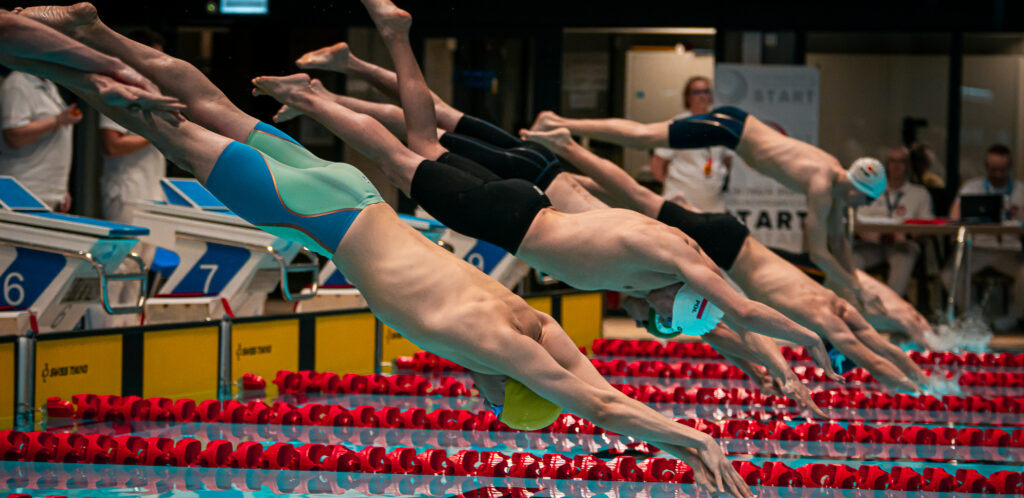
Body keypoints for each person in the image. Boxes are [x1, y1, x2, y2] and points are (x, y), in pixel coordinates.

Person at [13, 2, 757, 498]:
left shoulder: (526, 320)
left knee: (209, 106)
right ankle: (56, 54)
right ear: (509, 386)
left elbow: (594, 386)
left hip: (352, 192)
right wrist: (690, 438)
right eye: (499, 402)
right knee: (163, 123)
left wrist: (672, 434)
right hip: (320, 214)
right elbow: (593, 401)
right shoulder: (491, 343)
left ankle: (97, 29)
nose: (484, 401)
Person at [287, 42, 930, 394]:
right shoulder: (660, 264)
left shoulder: (666, 259)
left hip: (539, 189)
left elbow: (725, 323)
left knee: (432, 134)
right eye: (660, 319)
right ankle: (348, 77)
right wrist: (806, 345)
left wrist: (773, 364)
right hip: (534, 185)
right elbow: (736, 314)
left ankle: (347, 77)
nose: (648, 322)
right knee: (423, 141)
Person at [530, 107, 888, 315]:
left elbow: (839, 241)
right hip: (731, 131)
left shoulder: (836, 179)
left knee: (635, 177)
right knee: (642, 137)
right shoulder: (823, 186)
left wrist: (856, 287)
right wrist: (857, 288)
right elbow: (820, 253)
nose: (863, 208)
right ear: (858, 190)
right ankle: (559, 123)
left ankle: (563, 157)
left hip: (736, 128)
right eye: (867, 201)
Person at [945, 143, 1024, 331]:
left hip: (1010, 251)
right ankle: (974, 316)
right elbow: (953, 218)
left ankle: (1014, 317)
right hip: (977, 250)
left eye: (1002, 170)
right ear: (986, 167)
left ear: (1010, 167)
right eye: (993, 169)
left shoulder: (1021, 190)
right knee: (949, 275)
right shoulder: (971, 188)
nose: (998, 174)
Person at [98, 27, 167, 224]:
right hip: (127, 196)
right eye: (155, 56)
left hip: (153, 192)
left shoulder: (153, 91)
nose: (160, 63)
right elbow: (112, 146)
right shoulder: (117, 91)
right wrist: (156, 134)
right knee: (128, 246)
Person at [855, 146, 933, 297]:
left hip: (902, 243)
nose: (896, 166)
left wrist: (908, 234)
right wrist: (867, 234)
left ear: (908, 166)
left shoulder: (920, 193)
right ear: (886, 165)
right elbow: (858, 219)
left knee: (903, 259)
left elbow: (927, 224)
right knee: (851, 258)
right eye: (892, 161)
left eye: (901, 162)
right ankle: (862, 301)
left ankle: (891, 304)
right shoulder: (871, 190)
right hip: (872, 243)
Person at [0, 69, 80, 210]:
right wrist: (58, 120)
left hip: (49, 191)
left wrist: (61, 189)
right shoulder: (17, 83)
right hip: (23, 188)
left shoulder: (49, 84)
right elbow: (14, 136)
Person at [650, 76, 732, 212]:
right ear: (688, 97)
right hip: (680, 201)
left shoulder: (720, 124)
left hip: (713, 203)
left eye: (706, 91)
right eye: (697, 92)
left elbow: (727, 160)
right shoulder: (677, 124)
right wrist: (673, 185)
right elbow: (657, 163)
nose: (702, 96)